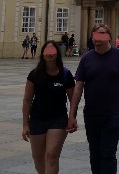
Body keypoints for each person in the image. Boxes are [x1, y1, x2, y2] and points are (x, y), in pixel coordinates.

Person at [68, 24, 119, 174]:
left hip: (113, 113)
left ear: (109, 37)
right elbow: (78, 87)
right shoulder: (86, 58)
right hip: (92, 114)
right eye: (95, 35)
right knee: (95, 153)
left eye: (102, 34)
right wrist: (72, 114)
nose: (97, 38)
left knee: (108, 153)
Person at [22, 40, 75, 174]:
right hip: (37, 120)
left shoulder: (65, 74)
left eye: (53, 51)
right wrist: (25, 124)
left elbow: (73, 99)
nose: (50, 54)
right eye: (47, 51)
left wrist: (72, 118)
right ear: (42, 54)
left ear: (57, 54)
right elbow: (27, 100)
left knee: (51, 155)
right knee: (38, 158)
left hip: (58, 120)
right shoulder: (34, 75)